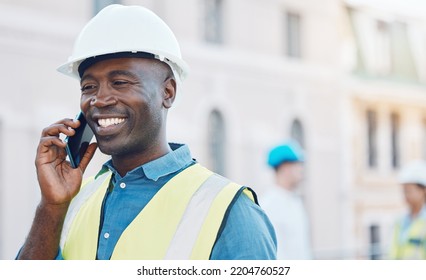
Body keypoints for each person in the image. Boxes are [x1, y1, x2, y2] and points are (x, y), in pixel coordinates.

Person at [17, 4, 276, 260]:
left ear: (168, 92)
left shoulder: (231, 212)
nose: (99, 99)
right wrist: (52, 207)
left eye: (119, 82)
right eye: (89, 87)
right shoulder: (75, 202)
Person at [260, 140, 312, 259]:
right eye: (298, 164)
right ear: (285, 167)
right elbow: (276, 254)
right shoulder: (269, 206)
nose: (301, 169)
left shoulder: (295, 202)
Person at [389, 160, 426, 259]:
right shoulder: (400, 221)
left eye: (409, 190)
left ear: (423, 190)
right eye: (404, 190)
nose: (405, 194)